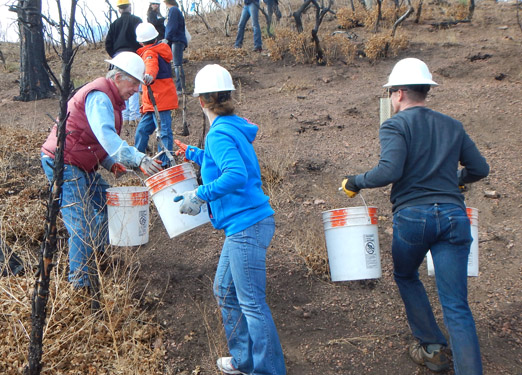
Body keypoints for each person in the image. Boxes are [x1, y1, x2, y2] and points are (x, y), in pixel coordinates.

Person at [341, 58, 489, 374]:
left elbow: (389, 171)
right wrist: (456, 181)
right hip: (453, 217)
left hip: (413, 218)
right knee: (456, 306)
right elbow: (480, 169)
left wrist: (355, 181)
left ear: (398, 93)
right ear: (426, 90)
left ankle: (433, 347)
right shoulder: (452, 125)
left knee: (406, 275)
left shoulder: (395, 125)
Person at [173, 64, 286, 375]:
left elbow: (235, 174)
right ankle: (244, 360)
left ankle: (268, 371)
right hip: (246, 223)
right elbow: (228, 160)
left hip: (246, 225)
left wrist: (199, 195)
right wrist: (195, 154)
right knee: (224, 290)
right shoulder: (230, 126)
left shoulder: (220, 133)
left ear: (200, 101)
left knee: (251, 303)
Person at [41, 52, 163, 290]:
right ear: (118, 77)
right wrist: (137, 158)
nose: (137, 90)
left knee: (112, 207)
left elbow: (94, 138)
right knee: (83, 224)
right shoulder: (100, 97)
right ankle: (80, 283)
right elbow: (105, 135)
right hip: (64, 163)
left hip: (80, 163)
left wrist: (109, 163)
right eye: (134, 83)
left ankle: (95, 257)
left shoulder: (111, 98)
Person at [134, 23, 178, 167]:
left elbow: (151, 66)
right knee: (143, 130)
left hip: (160, 102)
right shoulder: (159, 50)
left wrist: (149, 76)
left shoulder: (150, 53)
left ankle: (166, 163)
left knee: (163, 132)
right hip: (153, 103)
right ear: (155, 37)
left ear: (140, 42)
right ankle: (136, 158)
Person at [105, 0, 143, 126]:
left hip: (118, 58)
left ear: (119, 9)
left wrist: (115, 55)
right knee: (132, 85)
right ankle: (134, 116)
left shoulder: (114, 24)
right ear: (130, 7)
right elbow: (141, 39)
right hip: (133, 56)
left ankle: (124, 116)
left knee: (120, 86)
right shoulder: (136, 20)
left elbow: (108, 44)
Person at [164, 0, 187, 93]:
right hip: (177, 40)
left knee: (177, 64)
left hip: (176, 40)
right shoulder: (176, 10)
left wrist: (167, 38)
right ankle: (180, 87)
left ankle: (180, 88)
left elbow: (172, 25)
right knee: (177, 64)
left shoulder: (173, 10)